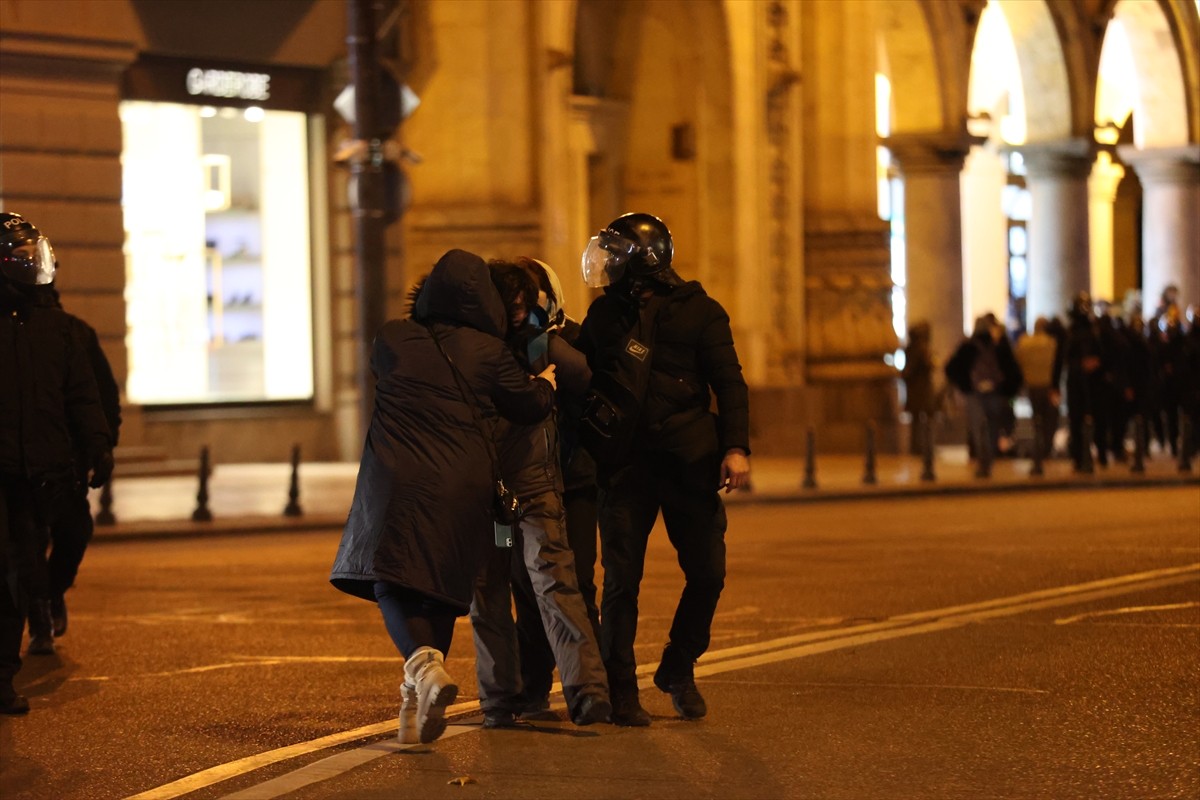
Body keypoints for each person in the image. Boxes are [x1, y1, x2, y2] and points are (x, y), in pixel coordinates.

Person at [329, 249, 557, 745]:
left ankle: (422, 666)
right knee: (441, 590)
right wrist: (547, 385)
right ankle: (414, 704)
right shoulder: (489, 352)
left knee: (390, 579)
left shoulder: (392, 338)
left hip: (396, 478)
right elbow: (528, 404)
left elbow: (383, 372)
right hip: (464, 483)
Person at [576, 212, 751, 726]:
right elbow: (584, 377)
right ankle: (621, 690)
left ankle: (679, 665)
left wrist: (735, 447)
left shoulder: (701, 313)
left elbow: (731, 384)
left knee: (708, 573)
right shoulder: (605, 316)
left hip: (687, 463)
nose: (607, 263)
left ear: (642, 260)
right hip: (625, 467)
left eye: (616, 253)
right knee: (620, 583)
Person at [468, 258, 610, 729]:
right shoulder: (540, 345)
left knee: (498, 589)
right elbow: (583, 377)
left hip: (494, 497)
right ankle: (586, 692)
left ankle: (503, 699)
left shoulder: (466, 348)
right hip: (529, 491)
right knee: (549, 580)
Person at [1, 212, 114, 714]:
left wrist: (98, 445)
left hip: (43, 470)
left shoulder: (62, 329)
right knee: (9, 571)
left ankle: (7, 670)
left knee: (29, 568)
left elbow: (85, 394)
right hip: (5, 470)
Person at [510, 259, 604, 719]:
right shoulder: (494, 349)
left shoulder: (569, 342)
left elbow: (585, 378)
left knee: (576, 582)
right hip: (511, 496)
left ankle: (594, 688)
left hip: (572, 485)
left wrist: (542, 343)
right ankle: (528, 689)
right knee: (522, 586)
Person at [38, 283, 123, 639]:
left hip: (64, 461)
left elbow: (98, 398)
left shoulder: (75, 334)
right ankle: (37, 619)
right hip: (20, 461)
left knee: (73, 534)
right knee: (23, 549)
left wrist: (101, 446)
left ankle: (50, 594)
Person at [944, 313, 1023, 476]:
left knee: (978, 427)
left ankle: (983, 461)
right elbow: (1012, 370)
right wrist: (1007, 391)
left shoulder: (968, 346)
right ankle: (989, 459)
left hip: (975, 393)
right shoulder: (998, 345)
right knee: (993, 427)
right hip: (995, 392)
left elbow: (951, 368)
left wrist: (965, 386)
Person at [1014, 317, 1062, 459]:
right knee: (1050, 419)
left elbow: (1019, 361)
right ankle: (1046, 447)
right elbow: (1056, 365)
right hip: (1048, 385)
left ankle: (1038, 447)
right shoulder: (1052, 343)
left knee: (1036, 418)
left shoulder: (1024, 342)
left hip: (1031, 384)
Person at [901, 320, 939, 456]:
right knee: (922, 420)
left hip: (917, 391)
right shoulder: (920, 350)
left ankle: (920, 447)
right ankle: (922, 447)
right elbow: (913, 370)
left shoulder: (911, 349)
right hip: (920, 391)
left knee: (918, 421)